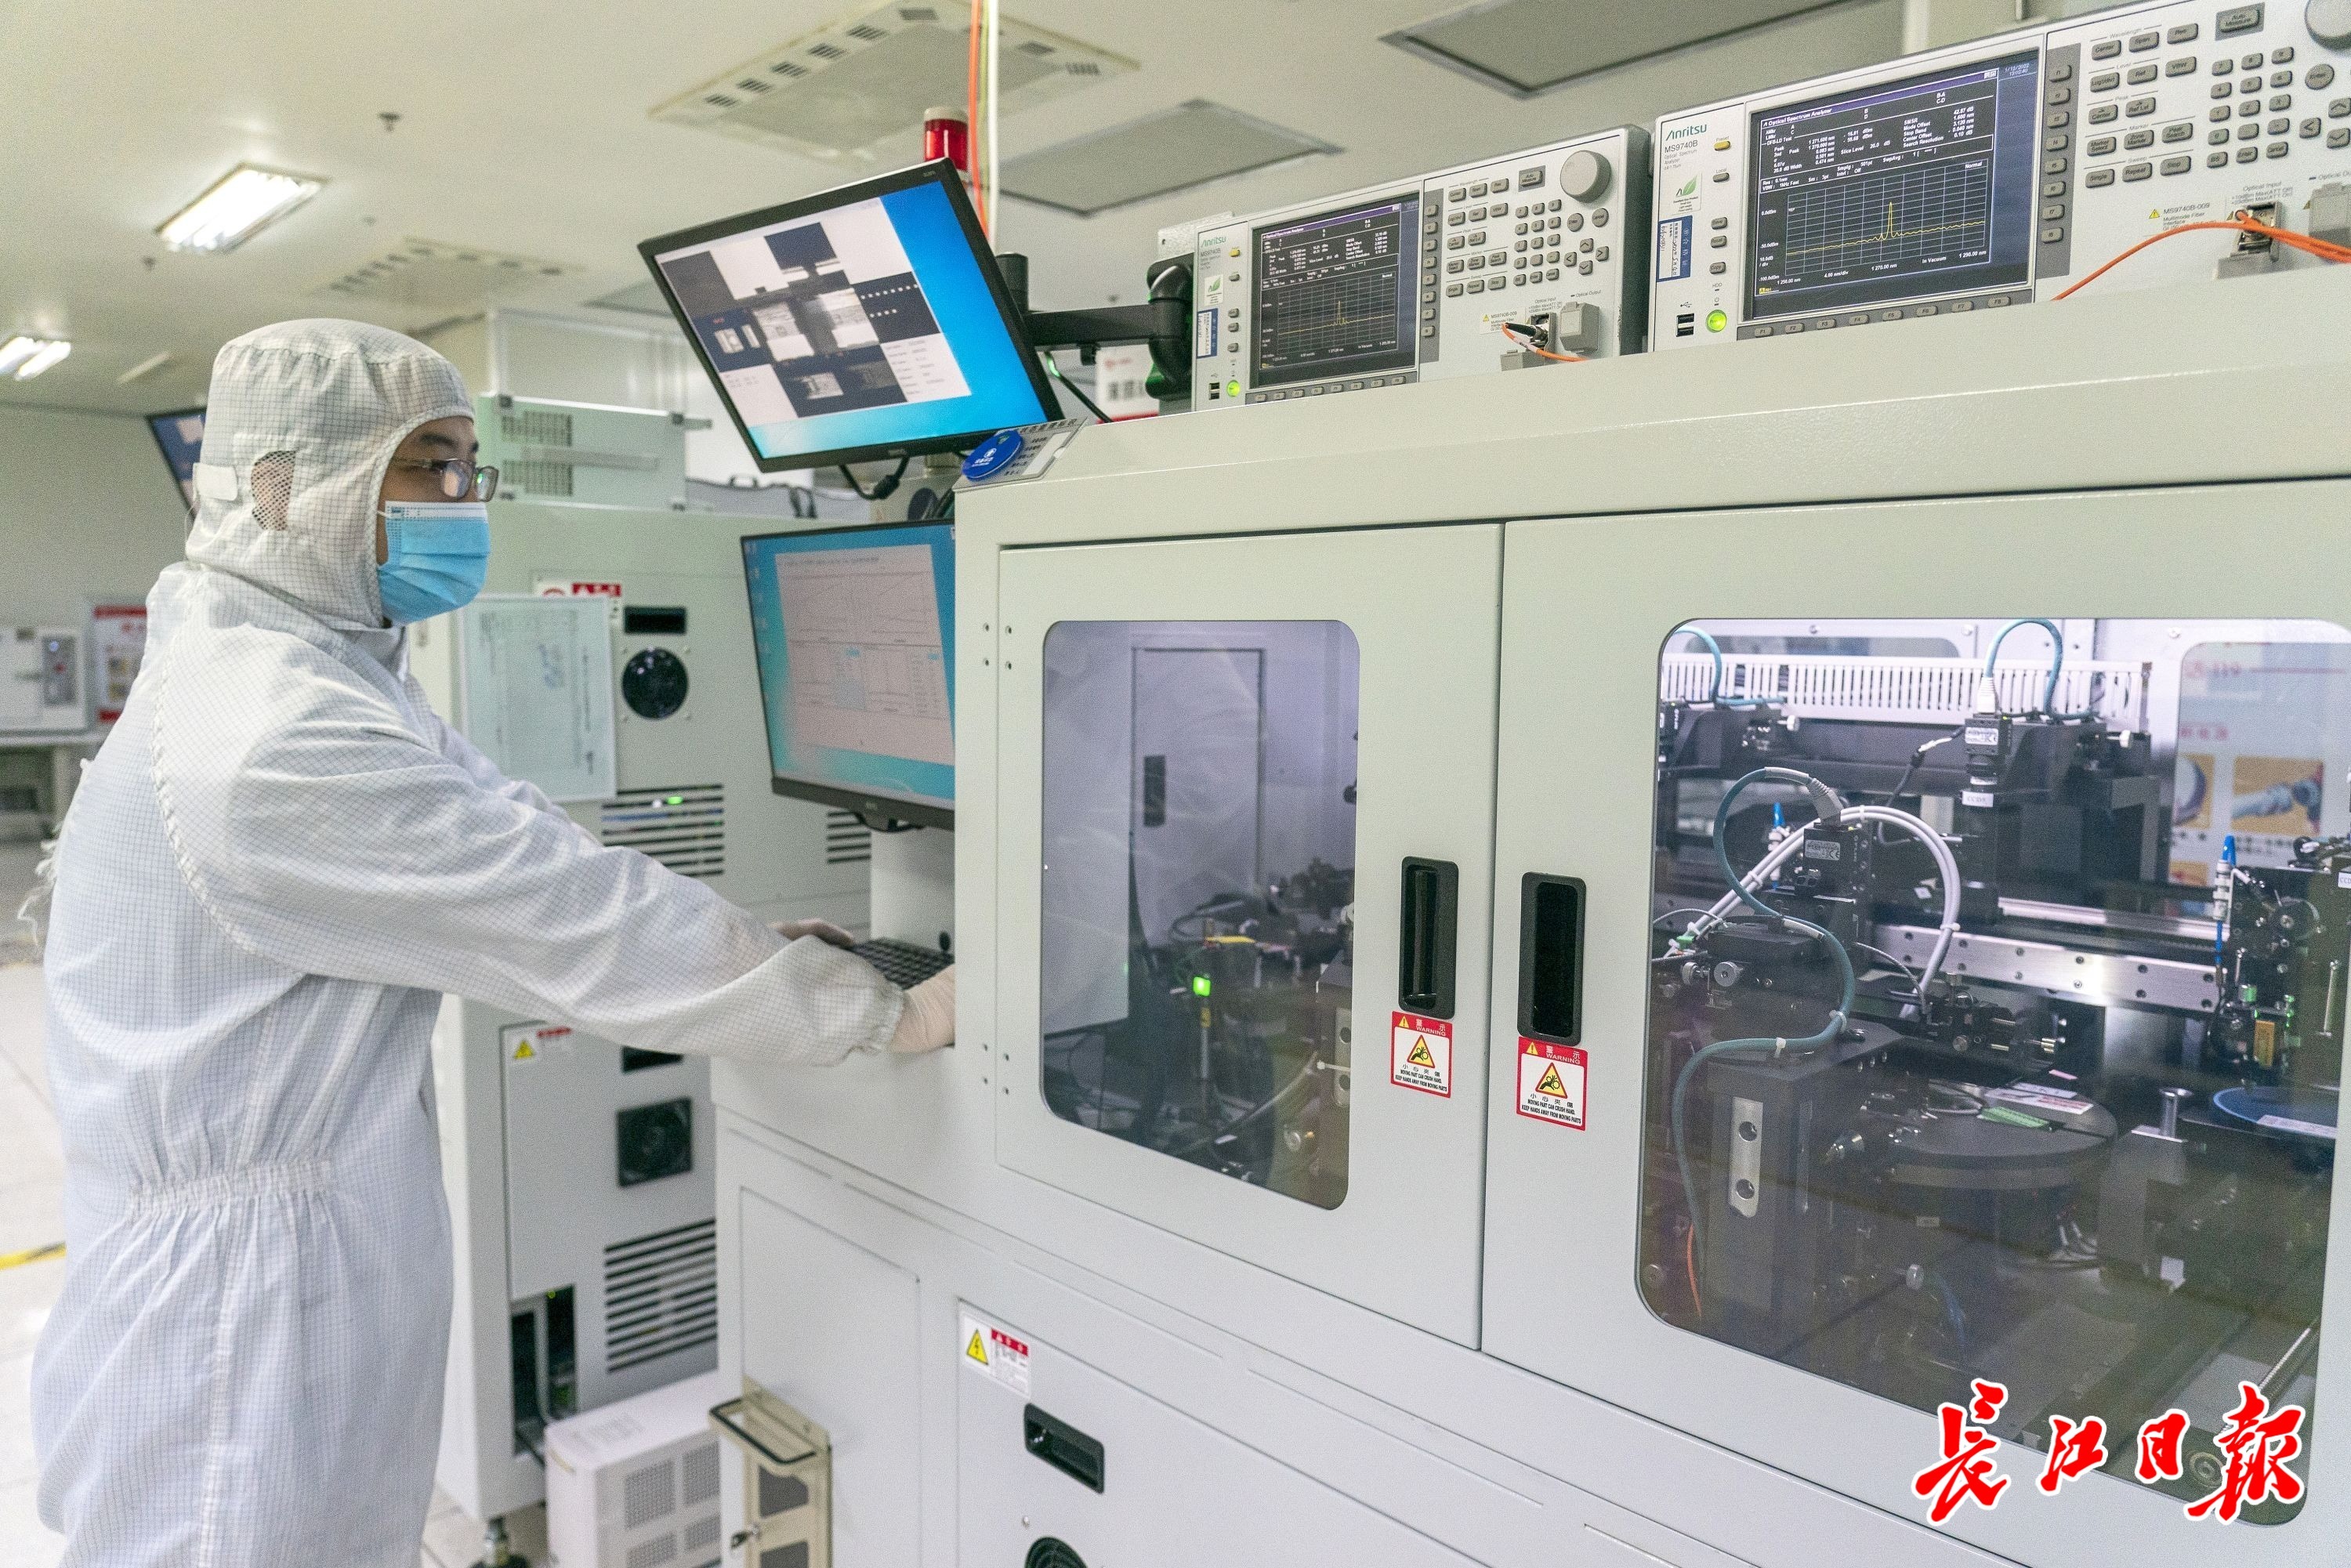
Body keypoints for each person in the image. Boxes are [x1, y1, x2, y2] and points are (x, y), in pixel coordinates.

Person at [25, 319, 955, 1568]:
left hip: (276, 1259)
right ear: (286, 487)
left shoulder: (307, 660)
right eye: (431, 466)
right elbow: (566, 920)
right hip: (234, 1334)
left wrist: (765, 946)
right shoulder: (270, 733)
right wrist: (886, 1008)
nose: (464, 502)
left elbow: (515, 836)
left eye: (472, 468)